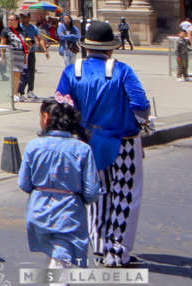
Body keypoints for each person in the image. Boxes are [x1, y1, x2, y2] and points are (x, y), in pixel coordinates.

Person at [55, 20, 150, 268]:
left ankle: (98, 247)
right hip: (123, 142)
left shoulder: (71, 72)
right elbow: (139, 104)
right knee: (125, 195)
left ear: (87, 46)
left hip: (88, 142)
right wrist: (142, 121)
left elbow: (63, 107)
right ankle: (117, 251)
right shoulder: (122, 71)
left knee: (97, 194)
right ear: (111, 48)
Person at [19, 101, 101, 286]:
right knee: (60, 271)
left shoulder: (34, 146)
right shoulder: (82, 150)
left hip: (39, 215)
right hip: (68, 217)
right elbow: (92, 191)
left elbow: (24, 183)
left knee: (57, 266)